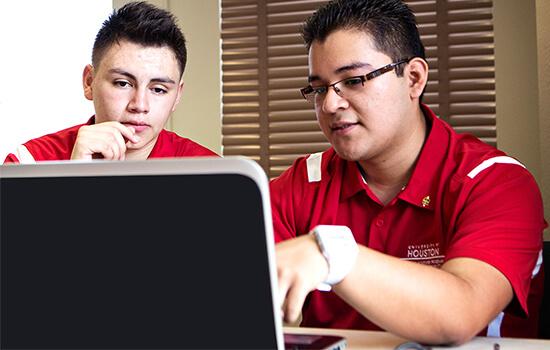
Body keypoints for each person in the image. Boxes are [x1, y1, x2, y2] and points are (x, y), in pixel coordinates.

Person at [270, 0, 546, 345]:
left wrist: (329, 254)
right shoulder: (301, 183)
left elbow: (459, 314)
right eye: (319, 88)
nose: (330, 105)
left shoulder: (496, 181)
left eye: (354, 80)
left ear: (413, 78)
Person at [4, 1, 216, 164]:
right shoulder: (29, 162)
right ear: (89, 82)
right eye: (123, 83)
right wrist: (73, 179)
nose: (139, 105)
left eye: (158, 89)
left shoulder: (214, 174)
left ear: (177, 96)